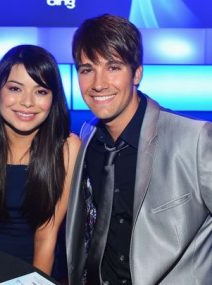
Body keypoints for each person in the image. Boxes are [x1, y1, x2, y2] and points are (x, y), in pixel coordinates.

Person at [66, 14, 212, 285]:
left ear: (138, 73)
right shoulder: (88, 138)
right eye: (87, 69)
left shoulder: (194, 139)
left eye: (113, 67)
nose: (98, 83)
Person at [0, 44, 81, 276]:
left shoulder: (68, 148)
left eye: (41, 91)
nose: (27, 102)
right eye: (15, 88)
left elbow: (46, 237)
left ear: (54, 98)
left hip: (43, 270)